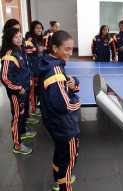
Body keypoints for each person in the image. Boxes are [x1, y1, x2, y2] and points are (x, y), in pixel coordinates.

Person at [38, 30, 80, 191]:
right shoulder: (55, 71)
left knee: (60, 153)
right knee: (68, 161)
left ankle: (57, 180)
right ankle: (64, 184)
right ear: (55, 48)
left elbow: (61, 87)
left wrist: (73, 83)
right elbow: (65, 105)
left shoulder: (48, 62)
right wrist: (78, 101)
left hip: (52, 122)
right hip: (65, 126)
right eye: (66, 49)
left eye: (71, 48)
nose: (70, 52)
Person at [0, 27, 37, 155]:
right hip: (17, 93)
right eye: (16, 36)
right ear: (10, 39)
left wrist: (29, 80)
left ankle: (22, 133)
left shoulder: (20, 50)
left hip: (24, 89)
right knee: (17, 117)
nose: (19, 38)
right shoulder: (8, 56)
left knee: (22, 115)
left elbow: (25, 68)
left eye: (20, 35)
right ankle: (17, 145)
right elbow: (4, 78)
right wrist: (18, 88)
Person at [25, 20, 45, 114]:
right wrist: (37, 49)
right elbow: (27, 51)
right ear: (33, 29)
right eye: (37, 27)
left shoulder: (40, 39)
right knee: (32, 92)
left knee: (40, 89)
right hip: (32, 71)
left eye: (41, 28)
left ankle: (38, 107)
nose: (39, 29)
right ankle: (33, 111)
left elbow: (42, 53)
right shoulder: (29, 40)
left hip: (40, 70)